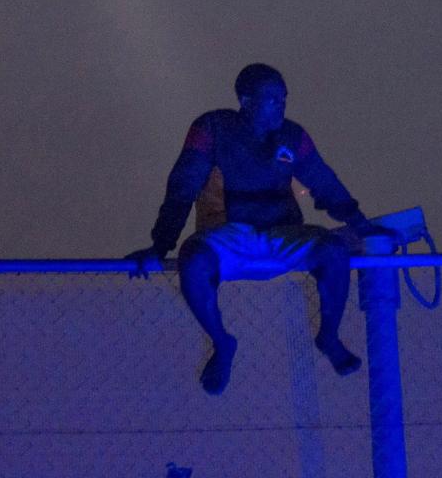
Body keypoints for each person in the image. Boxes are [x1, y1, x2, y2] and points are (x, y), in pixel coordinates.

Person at [126, 63, 375, 395]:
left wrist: (363, 226)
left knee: (333, 250)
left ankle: (329, 335)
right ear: (245, 99)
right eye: (271, 99)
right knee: (193, 260)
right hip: (233, 232)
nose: (281, 105)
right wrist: (160, 245)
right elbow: (182, 186)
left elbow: (325, 184)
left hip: (282, 231)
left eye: (283, 98)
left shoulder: (293, 136)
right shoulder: (212, 128)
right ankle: (222, 343)